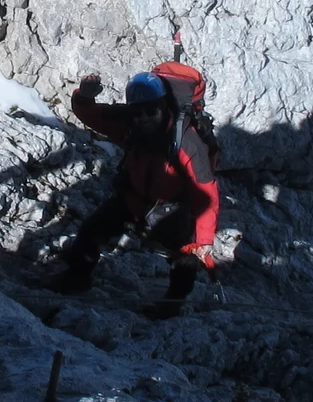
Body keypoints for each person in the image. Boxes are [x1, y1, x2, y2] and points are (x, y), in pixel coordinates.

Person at [54, 70, 220, 302]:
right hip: (132, 200)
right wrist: (84, 96)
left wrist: (203, 241)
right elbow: (93, 115)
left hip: (171, 210)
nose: (144, 118)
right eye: (138, 112)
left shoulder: (187, 142)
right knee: (90, 231)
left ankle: (172, 305)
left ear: (163, 108)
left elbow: (206, 193)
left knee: (184, 257)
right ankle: (76, 279)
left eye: (151, 111)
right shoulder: (129, 123)